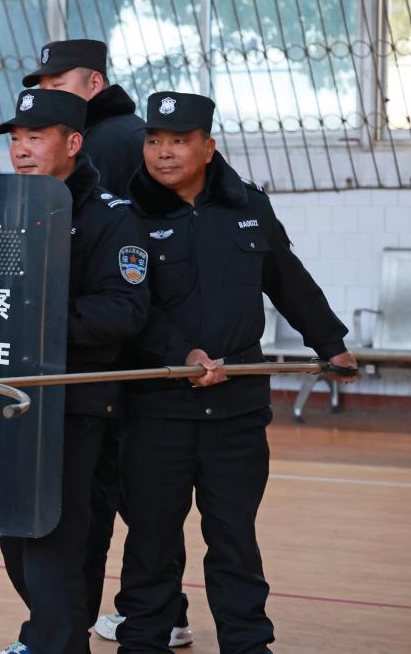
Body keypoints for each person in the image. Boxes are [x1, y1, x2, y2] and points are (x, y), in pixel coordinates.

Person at [115, 91, 358, 653]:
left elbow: (288, 280)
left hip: (237, 409)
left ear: (208, 147)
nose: (163, 153)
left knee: (234, 536)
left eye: (179, 141)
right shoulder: (126, 214)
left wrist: (331, 343)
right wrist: (182, 355)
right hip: (157, 409)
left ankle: (248, 643)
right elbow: (129, 306)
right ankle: (143, 641)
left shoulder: (249, 206)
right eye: (154, 141)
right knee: (152, 540)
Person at [24, 39, 192, 647]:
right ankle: (151, 614)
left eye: (57, 82)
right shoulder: (94, 139)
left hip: (117, 354)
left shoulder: (111, 143)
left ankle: (111, 622)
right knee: (118, 500)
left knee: (110, 503)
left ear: (93, 84)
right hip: (103, 347)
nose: (47, 92)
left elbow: (124, 258)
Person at [0, 88, 151, 654]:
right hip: (9, 397)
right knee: (15, 534)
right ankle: (52, 634)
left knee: (56, 535)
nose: (21, 150)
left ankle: (52, 642)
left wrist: (36, 322)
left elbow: (124, 310)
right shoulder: (2, 210)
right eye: (16, 139)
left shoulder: (111, 218)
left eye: (35, 138)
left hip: (77, 401)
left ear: (73, 143)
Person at [22, 39, 144, 195]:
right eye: (43, 89)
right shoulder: (125, 127)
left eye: (57, 85)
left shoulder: (99, 142)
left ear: (94, 84)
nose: (47, 98)